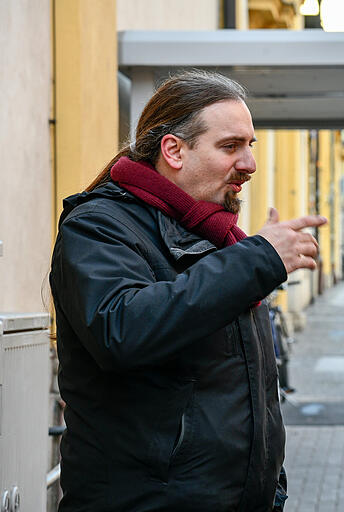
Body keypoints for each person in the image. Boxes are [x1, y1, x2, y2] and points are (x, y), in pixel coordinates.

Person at [49, 70, 326, 511]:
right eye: (230, 146)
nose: (249, 164)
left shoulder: (219, 240)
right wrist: (257, 260)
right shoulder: (98, 225)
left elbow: (245, 392)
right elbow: (120, 330)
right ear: (173, 150)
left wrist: (269, 489)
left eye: (249, 146)